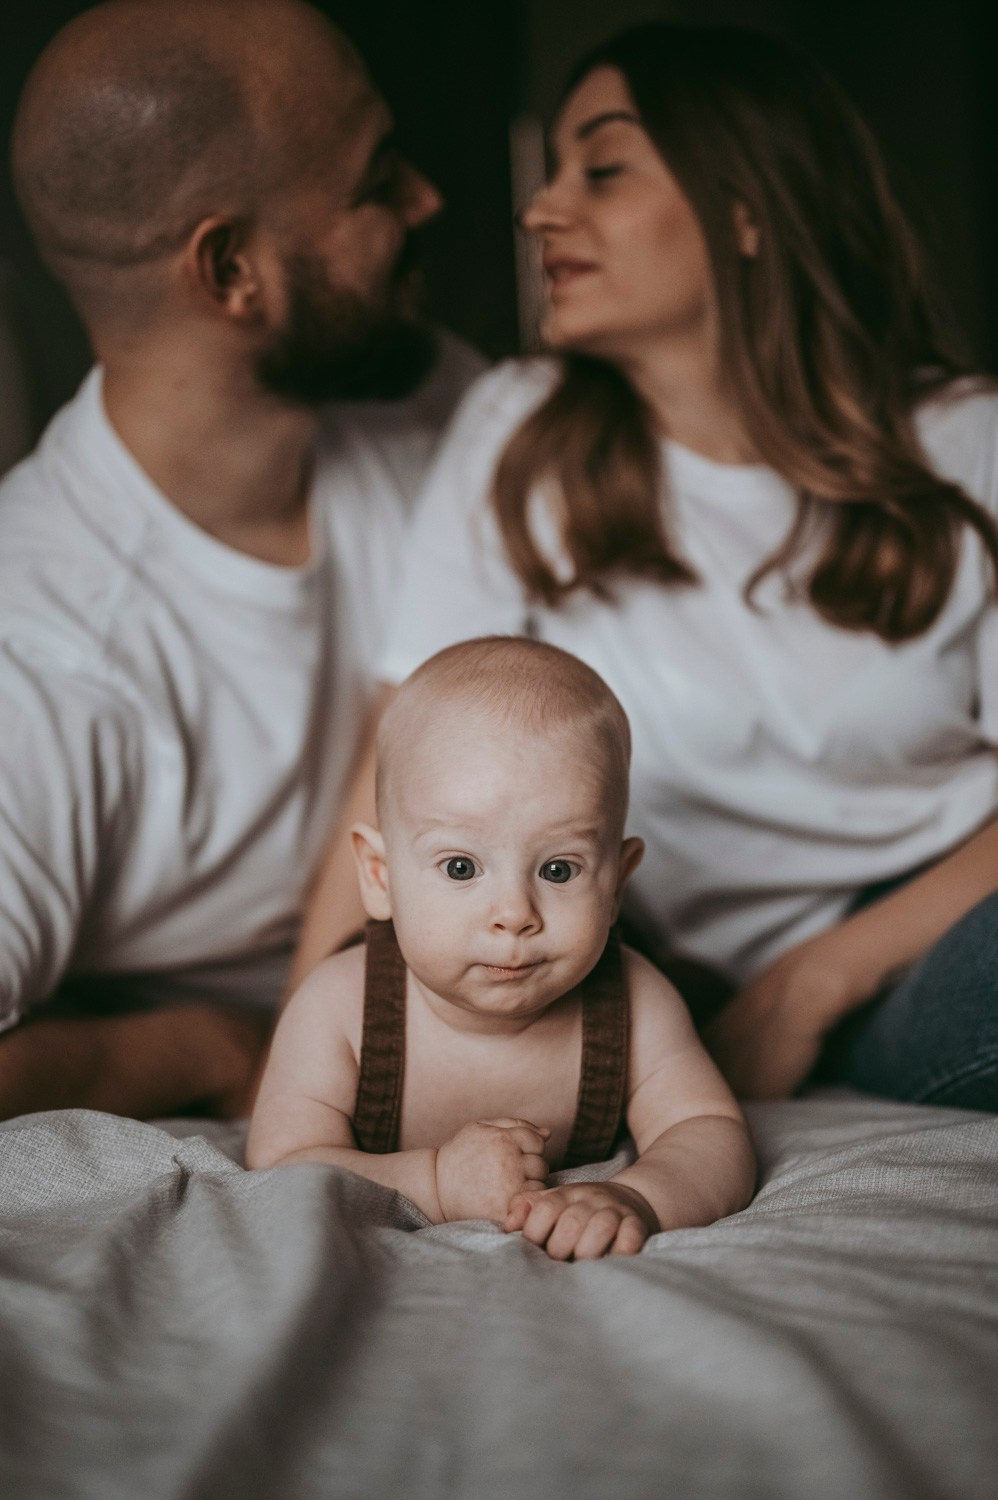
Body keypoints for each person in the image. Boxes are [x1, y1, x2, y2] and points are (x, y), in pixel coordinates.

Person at [293, 22, 998, 1111]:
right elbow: (403, 760)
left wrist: (808, 984)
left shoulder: (967, 442)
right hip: (659, 958)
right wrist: (292, 1064)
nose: (540, 208)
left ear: (747, 210)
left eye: (603, 169)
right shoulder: (518, 435)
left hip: (933, 936)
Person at [0, 0, 483, 1122]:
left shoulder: (430, 402)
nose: (428, 200)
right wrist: (211, 1053)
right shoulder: (38, 644)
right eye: (375, 181)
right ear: (230, 271)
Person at [247, 638, 753, 1259]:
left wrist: (640, 1198)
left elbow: (709, 1132)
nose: (514, 914)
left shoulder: (639, 999)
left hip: (664, 973)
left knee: (700, 997)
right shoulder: (338, 1005)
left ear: (617, 882)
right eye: (461, 867)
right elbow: (282, 1160)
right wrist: (433, 1181)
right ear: (380, 877)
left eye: (560, 871)